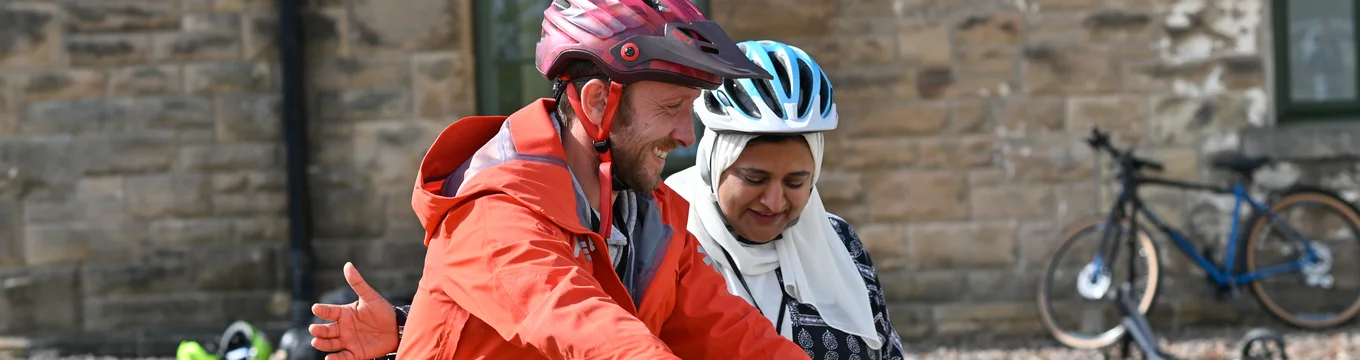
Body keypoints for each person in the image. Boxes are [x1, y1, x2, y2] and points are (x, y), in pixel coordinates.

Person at [309, 39, 908, 360]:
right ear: (598, 104)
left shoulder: (649, 217)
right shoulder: (495, 214)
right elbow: (589, 331)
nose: (685, 137)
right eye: (672, 109)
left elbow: (733, 336)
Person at [665, 39, 905, 359]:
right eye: (754, 179)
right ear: (713, 164)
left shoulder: (840, 242)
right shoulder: (665, 239)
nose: (774, 202)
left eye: (796, 181)